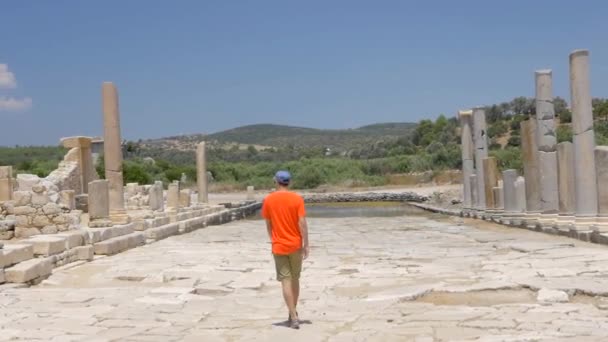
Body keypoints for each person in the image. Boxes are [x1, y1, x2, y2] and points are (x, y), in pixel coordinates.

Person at [261, 170, 309, 329]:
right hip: (295, 244)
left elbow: (268, 224)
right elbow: (302, 223)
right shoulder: (297, 199)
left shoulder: (268, 200)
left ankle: (293, 315)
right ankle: (293, 312)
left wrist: (273, 239)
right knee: (295, 279)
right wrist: (306, 244)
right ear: (290, 182)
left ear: (276, 181)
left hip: (279, 245)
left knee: (285, 281)